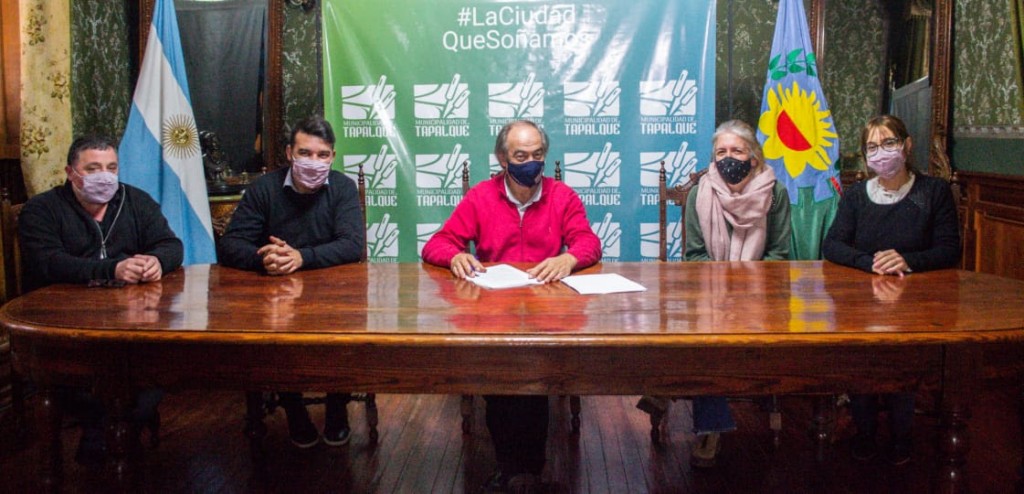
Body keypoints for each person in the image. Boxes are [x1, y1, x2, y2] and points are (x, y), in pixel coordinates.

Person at [421, 120, 602, 492]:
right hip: (494, 311)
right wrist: (455, 255)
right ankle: (514, 467)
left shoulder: (562, 196)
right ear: (502, 159)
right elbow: (437, 243)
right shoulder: (481, 196)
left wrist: (568, 259)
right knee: (500, 373)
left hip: (545, 310)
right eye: (521, 156)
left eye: (538, 154)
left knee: (532, 370)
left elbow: (588, 242)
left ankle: (524, 468)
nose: (531, 163)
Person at [19, 135, 184, 467]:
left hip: (130, 320)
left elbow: (171, 245)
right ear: (71, 172)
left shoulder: (135, 201)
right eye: (93, 168)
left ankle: (110, 432)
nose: (104, 176)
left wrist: (157, 261)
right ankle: (108, 434)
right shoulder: (42, 209)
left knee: (158, 367)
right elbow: (48, 262)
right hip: (66, 324)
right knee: (91, 378)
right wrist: (113, 269)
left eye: (111, 167)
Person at [636, 120, 791, 468]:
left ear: (754, 156)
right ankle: (709, 425)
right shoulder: (700, 194)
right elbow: (694, 257)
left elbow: (778, 257)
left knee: (710, 340)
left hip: (760, 297)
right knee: (708, 335)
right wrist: (723, 294)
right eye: (721, 152)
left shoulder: (775, 193)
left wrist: (741, 289)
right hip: (708, 295)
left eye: (737, 150)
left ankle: (667, 387)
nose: (728, 158)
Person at [219, 115, 366, 449]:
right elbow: (230, 245)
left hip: (332, 294)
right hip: (277, 292)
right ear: (289, 153)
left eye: (322, 155)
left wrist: (301, 257)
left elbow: (351, 245)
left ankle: (337, 408)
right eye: (305, 153)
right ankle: (294, 410)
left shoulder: (342, 187)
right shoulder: (264, 189)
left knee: (346, 335)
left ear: (333, 156)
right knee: (275, 343)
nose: (314, 162)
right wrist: (264, 258)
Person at [823, 114, 960, 466]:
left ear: (906, 145)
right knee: (860, 363)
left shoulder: (933, 192)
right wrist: (869, 261)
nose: (880, 153)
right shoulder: (856, 196)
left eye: (888, 143)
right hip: (862, 303)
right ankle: (865, 433)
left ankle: (902, 437)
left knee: (902, 365)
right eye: (872, 147)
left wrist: (907, 260)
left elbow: (949, 249)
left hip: (914, 303)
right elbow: (833, 245)